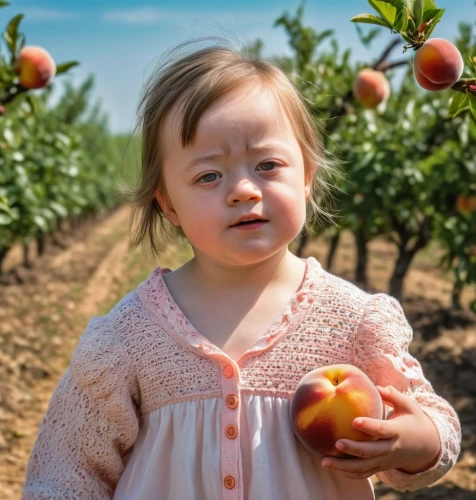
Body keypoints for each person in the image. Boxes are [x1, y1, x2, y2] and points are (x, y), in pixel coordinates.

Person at [23, 37, 461, 499]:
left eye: (268, 164)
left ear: (307, 177)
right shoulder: (129, 338)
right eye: (209, 175)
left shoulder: (352, 320)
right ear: (168, 203)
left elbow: (434, 422)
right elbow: (66, 473)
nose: (244, 190)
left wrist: (414, 443)